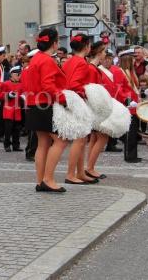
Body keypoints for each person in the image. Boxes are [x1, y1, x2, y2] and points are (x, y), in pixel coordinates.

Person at [25, 29, 69, 193]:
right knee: (60, 141)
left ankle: (41, 180)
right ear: (55, 43)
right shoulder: (46, 60)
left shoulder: (36, 59)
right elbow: (48, 85)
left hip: (34, 104)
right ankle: (48, 179)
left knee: (43, 143)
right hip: (44, 104)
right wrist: (64, 99)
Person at [61, 34, 98, 184]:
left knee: (81, 139)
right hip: (76, 101)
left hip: (69, 100)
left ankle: (80, 172)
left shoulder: (68, 61)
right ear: (87, 46)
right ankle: (71, 174)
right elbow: (74, 84)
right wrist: (89, 94)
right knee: (80, 139)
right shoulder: (82, 63)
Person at [85, 41, 109, 180]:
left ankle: (90, 166)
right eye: (104, 51)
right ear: (99, 53)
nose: (105, 54)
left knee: (95, 137)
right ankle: (90, 168)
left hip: (94, 106)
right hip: (94, 107)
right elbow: (92, 90)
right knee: (102, 137)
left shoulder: (94, 68)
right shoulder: (92, 69)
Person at [118, 49, 142, 163]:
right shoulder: (121, 72)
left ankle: (133, 154)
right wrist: (127, 100)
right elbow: (120, 89)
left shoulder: (131, 72)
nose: (134, 60)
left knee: (134, 131)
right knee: (130, 132)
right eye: (132, 58)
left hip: (134, 105)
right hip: (128, 105)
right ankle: (129, 156)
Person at [2, 66, 24, 153]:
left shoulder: (21, 84)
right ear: (12, 75)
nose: (19, 76)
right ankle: (7, 145)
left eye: (19, 74)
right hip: (8, 110)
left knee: (17, 129)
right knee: (8, 129)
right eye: (17, 74)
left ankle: (16, 145)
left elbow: (23, 94)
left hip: (17, 110)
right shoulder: (6, 84)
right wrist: (8, 95)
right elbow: (1, 95)